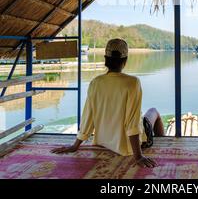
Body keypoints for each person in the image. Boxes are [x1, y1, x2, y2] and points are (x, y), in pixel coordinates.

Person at [52, 38, 164, 168]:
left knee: (144, 115)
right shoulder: (132, 82)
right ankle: (165, 143)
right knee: (154, 111)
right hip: (129, 147)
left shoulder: (95, 82)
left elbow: (88, 116)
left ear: (106, 59)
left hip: (103, 142)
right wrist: (138, 156)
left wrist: (75, 145)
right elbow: (132, 122)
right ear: (125, 60)